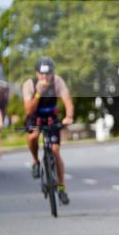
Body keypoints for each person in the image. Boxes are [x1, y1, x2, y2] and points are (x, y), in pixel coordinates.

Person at [23, 57, 74, 204]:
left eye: (48, 73)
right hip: (35, 116)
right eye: (42, 74)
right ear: (36, 73)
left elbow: (67, 101)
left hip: (51, 116)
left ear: (52, 73)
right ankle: (36, 161)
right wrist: (38, 93)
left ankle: (62, 187)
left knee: (56, 151)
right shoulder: (30, 84)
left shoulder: (58, 81)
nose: (45, 77)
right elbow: (28, 110)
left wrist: (68, 117)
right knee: (33, 137)